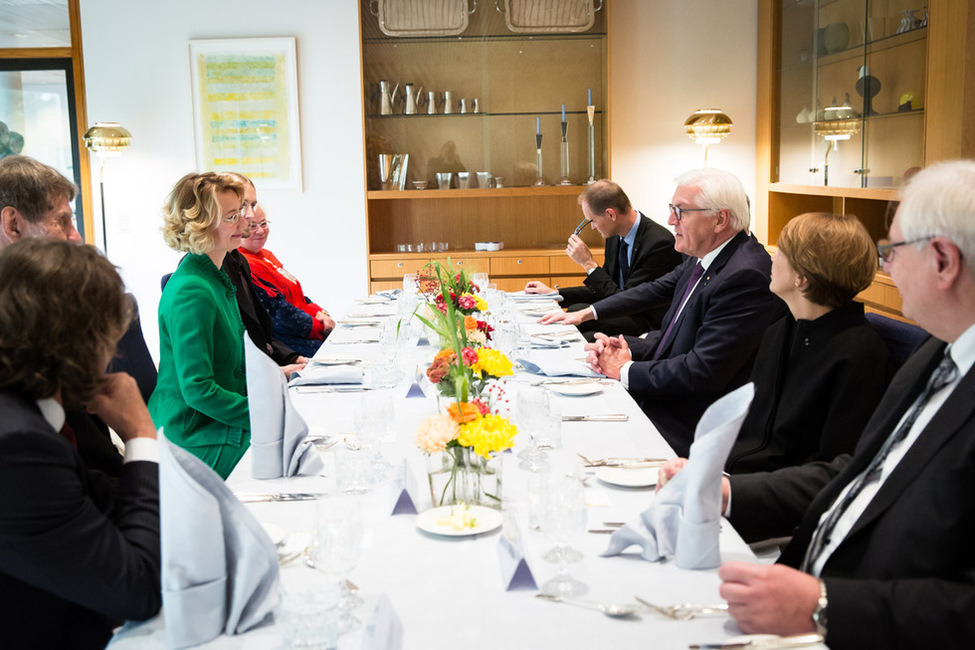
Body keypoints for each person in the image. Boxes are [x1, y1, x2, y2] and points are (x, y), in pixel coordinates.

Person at [658, 160, 975, 649]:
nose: (884, 266)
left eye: (892, 250)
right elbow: (856, 471)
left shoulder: (880, 351)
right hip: (805, 573)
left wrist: (823, 604)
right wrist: (727, 492)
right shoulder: (938, 350)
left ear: (943, 260)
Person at [546, 168, 787, 456]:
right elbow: (656, 294)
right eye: (672, 210)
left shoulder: (744, 275)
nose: (671, 220)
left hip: (694, 421)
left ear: (720, 219)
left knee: (574, 439)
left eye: (680, 211)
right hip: (673, 395)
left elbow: (703, 371)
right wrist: (618, 341)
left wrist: (624, 368)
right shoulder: (707, 256)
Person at [0, 238, 160, 649]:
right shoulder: (17, 445)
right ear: (80, 341)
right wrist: (141, 436)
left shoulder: (31, 408)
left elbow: (94, 500)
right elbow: (137, 590)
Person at [724, 212, 892, 473]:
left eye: (780, 251)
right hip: (738, 477)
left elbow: (831, 463)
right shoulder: (780, 330)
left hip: (780, 494)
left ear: (802, 278)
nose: (771, 257)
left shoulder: (860, 354)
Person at [0, 154, 128, 477]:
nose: (75, 236)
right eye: (63, 221)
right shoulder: (22, 323)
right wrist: (142, 442)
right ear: (13, 224)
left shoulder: (40, 304)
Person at [150, 172, 250, 479]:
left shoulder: (213, 277)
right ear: (201, 225)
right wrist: (264, 412)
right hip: (192, 434)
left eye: (241, 212)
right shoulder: (193, 290)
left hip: (213, 422)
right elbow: (198, 390)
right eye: (233, 217)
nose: (244, 224)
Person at [524, 179, 681, 337]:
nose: (592, 227)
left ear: (610, 214)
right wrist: (554, 293)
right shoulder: (614, 236)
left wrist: (589, 264)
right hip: (622, 309)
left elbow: (626, 300)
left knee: (582, 323)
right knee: (575, 311)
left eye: (592, 221)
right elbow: (603, 288)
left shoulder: (659, 243)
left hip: (644, 319)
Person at [222, 172, 307, 374]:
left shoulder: (238, 260)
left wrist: (291, 357)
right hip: (245, 387)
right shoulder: (201, 280)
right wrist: (277, 374)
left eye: (253, 205)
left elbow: (258, 329)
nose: (251, 215)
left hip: (263, 368)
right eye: (243, 206)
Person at [240, 203, 335, 357]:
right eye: (252, 226)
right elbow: (278, 314)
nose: (260, 230)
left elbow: (294, 292)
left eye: (263, 223)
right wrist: (319, 326)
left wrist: (319, 312)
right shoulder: (247, 264)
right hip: (288, 344)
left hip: (306, 331)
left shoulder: (265, 255)